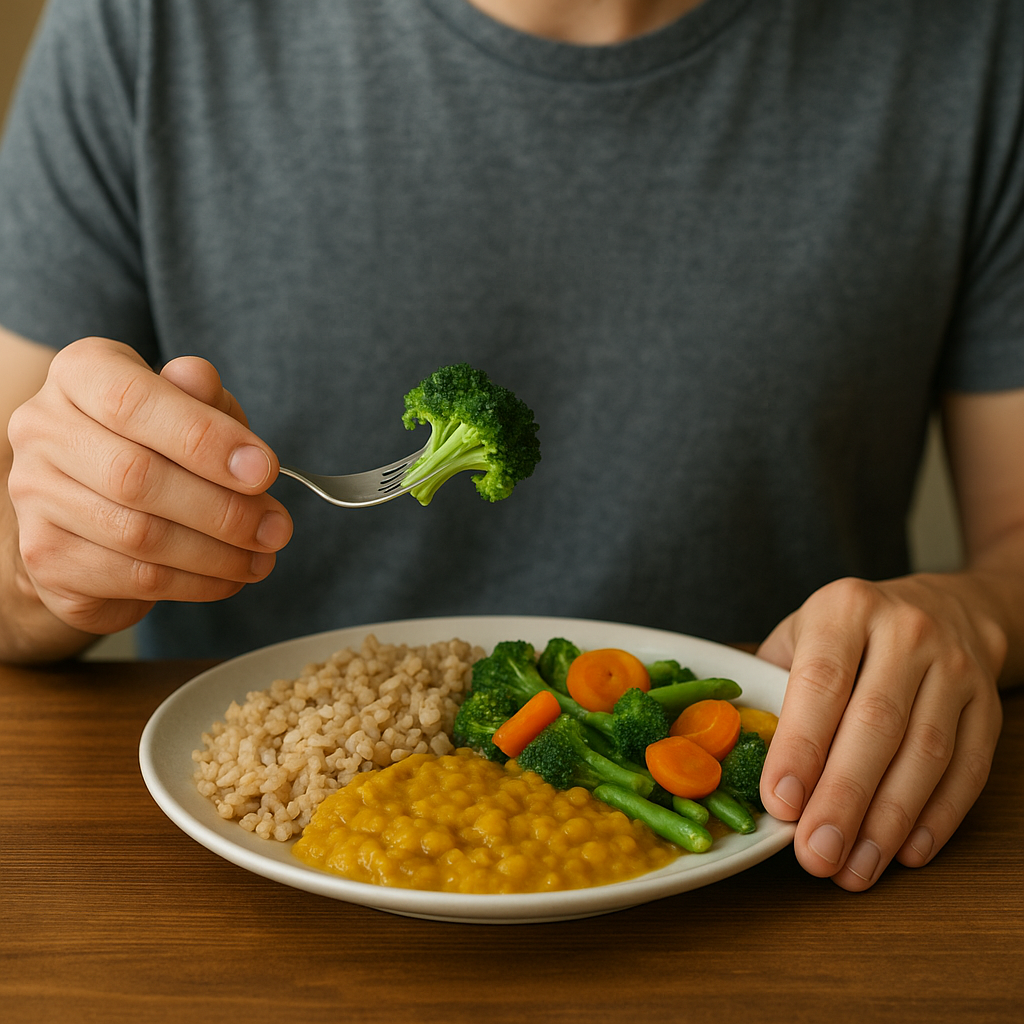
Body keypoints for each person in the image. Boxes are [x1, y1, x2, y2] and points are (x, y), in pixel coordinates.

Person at [1, 0, 1022, 894]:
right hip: (228, 902)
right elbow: (10, 549)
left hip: (794, 883)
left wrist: (972, 616)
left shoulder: (977, 41)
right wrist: (55, 549)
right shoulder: (141, 22)